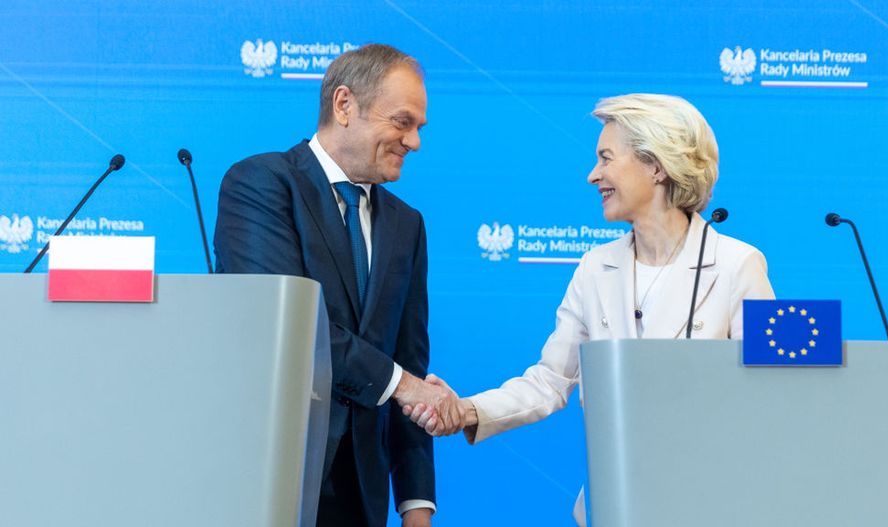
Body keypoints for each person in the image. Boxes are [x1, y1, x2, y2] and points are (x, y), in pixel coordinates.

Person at [404, 93, 775, 525]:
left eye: (606, 158)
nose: (592, 175)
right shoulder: (596, 267)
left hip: (708, 507)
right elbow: (549, 381)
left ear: (656, 166)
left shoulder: (736, 265)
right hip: (615, 505)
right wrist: (468, 409)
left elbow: (768, 394)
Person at [214, 44, 460, 527]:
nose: (414, 142)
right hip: (269, 474)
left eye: (419, 127)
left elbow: (409, 357)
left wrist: (415, 505)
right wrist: (405, 386)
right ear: (344, 104)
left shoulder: (407, 225)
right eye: (403, 122)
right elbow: (288, 327)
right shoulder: (261, 184)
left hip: (361, 497)